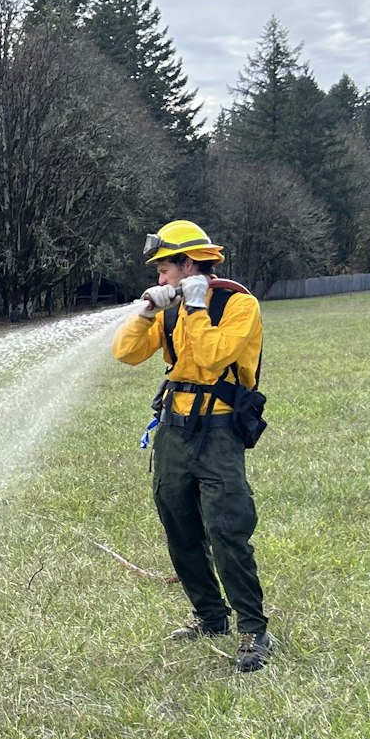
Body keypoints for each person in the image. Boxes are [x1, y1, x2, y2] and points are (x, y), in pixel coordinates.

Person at [113, 219, 272, 672]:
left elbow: (213, 356)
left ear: (188, 264)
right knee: (179, 529)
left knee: (227, 530)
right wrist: (146, 312)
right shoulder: (169, 310)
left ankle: (254, 630)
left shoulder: (239, 305)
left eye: (164, 270)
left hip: (219, 432)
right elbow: (125, 353)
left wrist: (198, 308)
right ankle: (210, 617)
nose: (159, 279)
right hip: (173, 432)